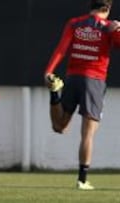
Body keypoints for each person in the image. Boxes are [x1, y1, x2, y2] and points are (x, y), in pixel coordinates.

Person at [44, 0, 119, 190]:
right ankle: (82, 180)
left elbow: (62, 48)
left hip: (72, 78)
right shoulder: (109, 27)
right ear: (108, 8)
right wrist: (117, 30)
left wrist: (49, 71)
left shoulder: (75, 23)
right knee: (88, 134)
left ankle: (55, 94)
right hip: (94, 81)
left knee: (59, 126)